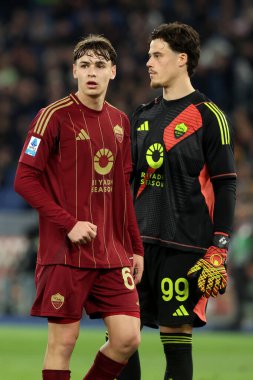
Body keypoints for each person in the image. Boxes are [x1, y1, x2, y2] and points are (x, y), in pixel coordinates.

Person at [14, 34, 144, 380]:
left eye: (100, 65)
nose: (92, 72)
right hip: (66, 251)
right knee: (64, 341)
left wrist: (136, 247)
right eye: (85, 65)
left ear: (113, 72)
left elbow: (122, 192)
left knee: (127, 337)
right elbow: (24, 180)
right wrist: (69, 223)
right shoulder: (52, 116)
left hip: (112, 252)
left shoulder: (121, 123)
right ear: (74, 70)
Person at [127, 22, 237, 380]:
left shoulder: (210, 117)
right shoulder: (142, 116)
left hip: (184, 247)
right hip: (137, 248)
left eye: (157, 55)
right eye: (148, 55)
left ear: (182, 59)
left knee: (175, 344)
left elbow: (225, 186)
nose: (149, 62)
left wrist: (219, 246)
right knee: (122, 338)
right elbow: (128, 185)